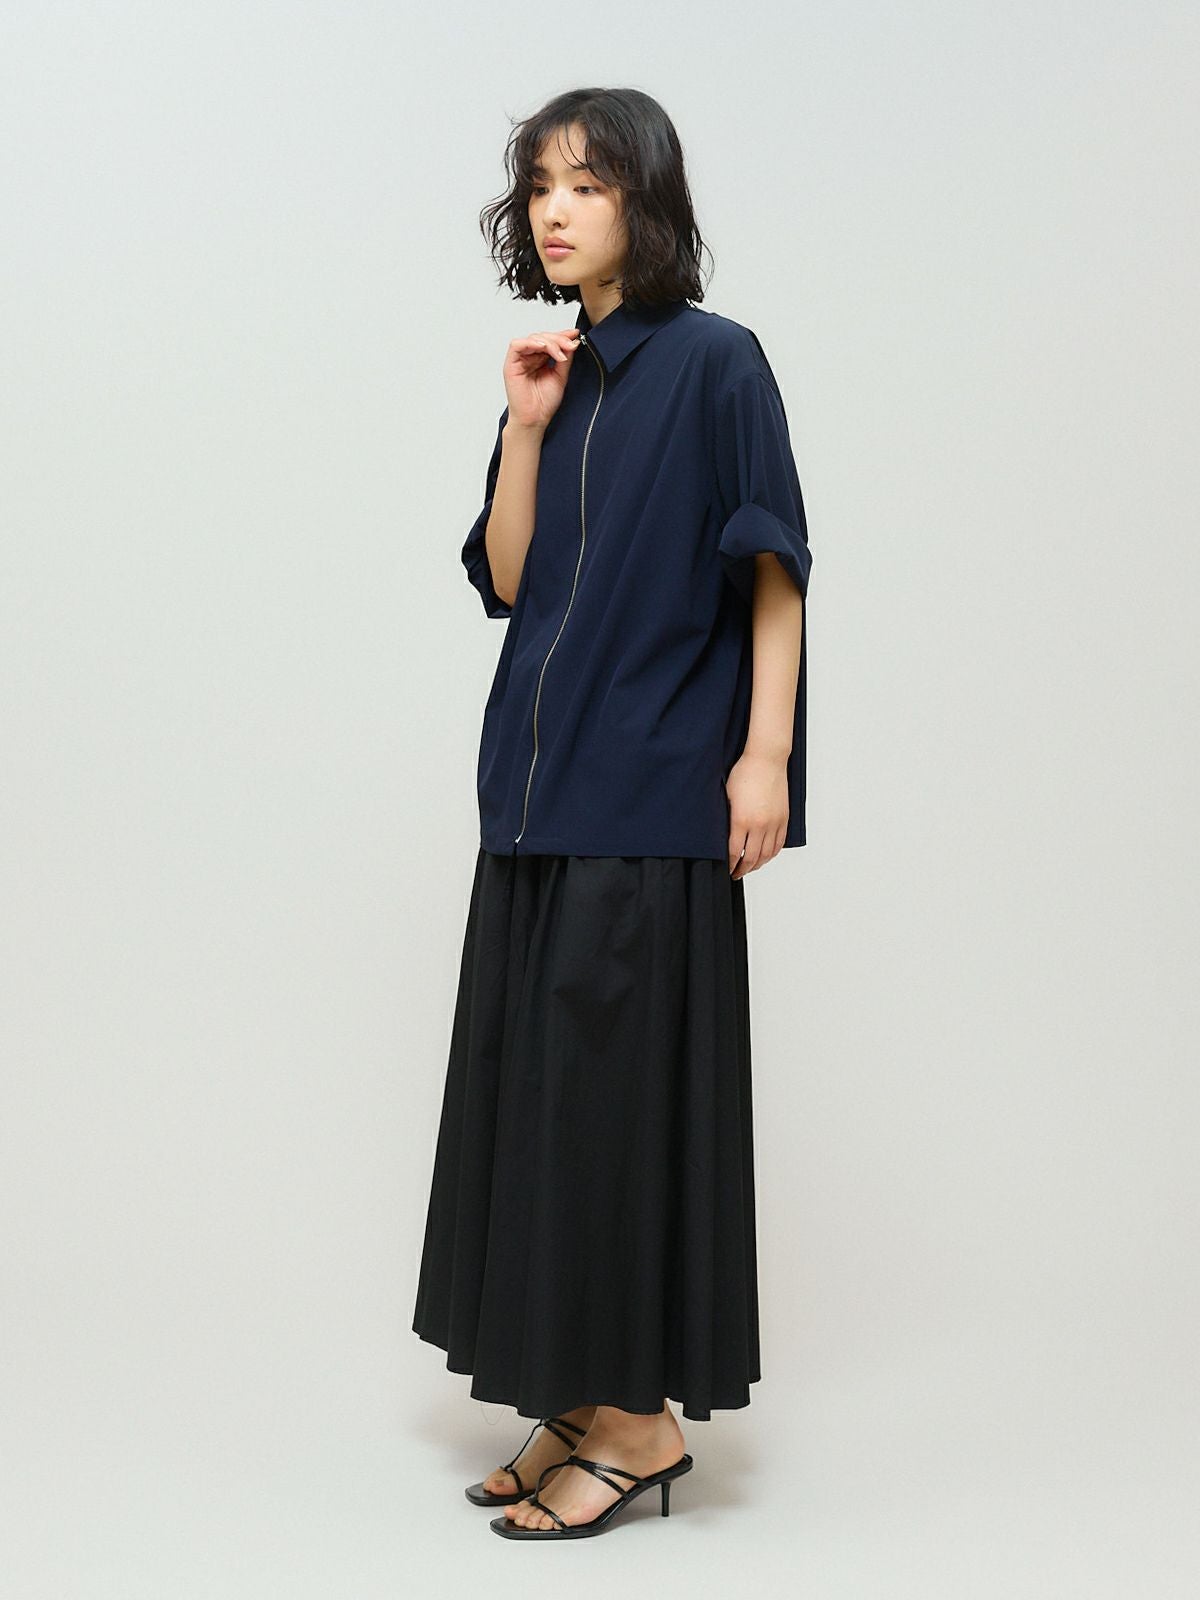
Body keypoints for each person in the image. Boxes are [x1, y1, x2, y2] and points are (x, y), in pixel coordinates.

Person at [411, 86, 812, 1542]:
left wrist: (764, 755)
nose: (556, 209)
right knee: (545, 1110)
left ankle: (641, 1424)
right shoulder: (553, 372)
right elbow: (513, 581)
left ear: (647, 199)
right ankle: (580, 1400)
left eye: (586, 182)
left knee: (618, 1113)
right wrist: (525, 426)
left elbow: (774, 563)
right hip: (533, 801)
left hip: (648, 793)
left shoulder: (717, 363)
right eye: (539, 186)